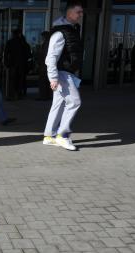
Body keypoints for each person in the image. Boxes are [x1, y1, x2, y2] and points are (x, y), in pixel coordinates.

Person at [42, 1, 84, 151]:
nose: (81, 15)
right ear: (69, 13)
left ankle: (49, 136)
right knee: (74, 101)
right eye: (78, 12)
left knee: (58, 104)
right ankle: (63, 135)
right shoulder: (60, 33)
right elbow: (51, 57)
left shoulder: (71, 30)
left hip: (65, 72)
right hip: (62, 73)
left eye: (81, 12)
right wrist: (53, 78)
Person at [4, 29, 31, 100]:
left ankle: (13, 94)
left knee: (13, 79)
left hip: (13, 64)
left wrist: (6, 63)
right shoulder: (25, 43)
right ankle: (20, 93)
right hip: (22, 65)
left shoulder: (10, 42)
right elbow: (29, 55)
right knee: (21, 79)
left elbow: (6, 54)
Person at [36, 31, 53, 101]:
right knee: (47, 81)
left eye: (42, 36)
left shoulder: (46, 44)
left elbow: (43, 55)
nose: (41, 38)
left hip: (44, 66)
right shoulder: (50, 43)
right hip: (47, 66)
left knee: (43, 81)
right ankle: (47, 95)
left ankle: (43, 96)